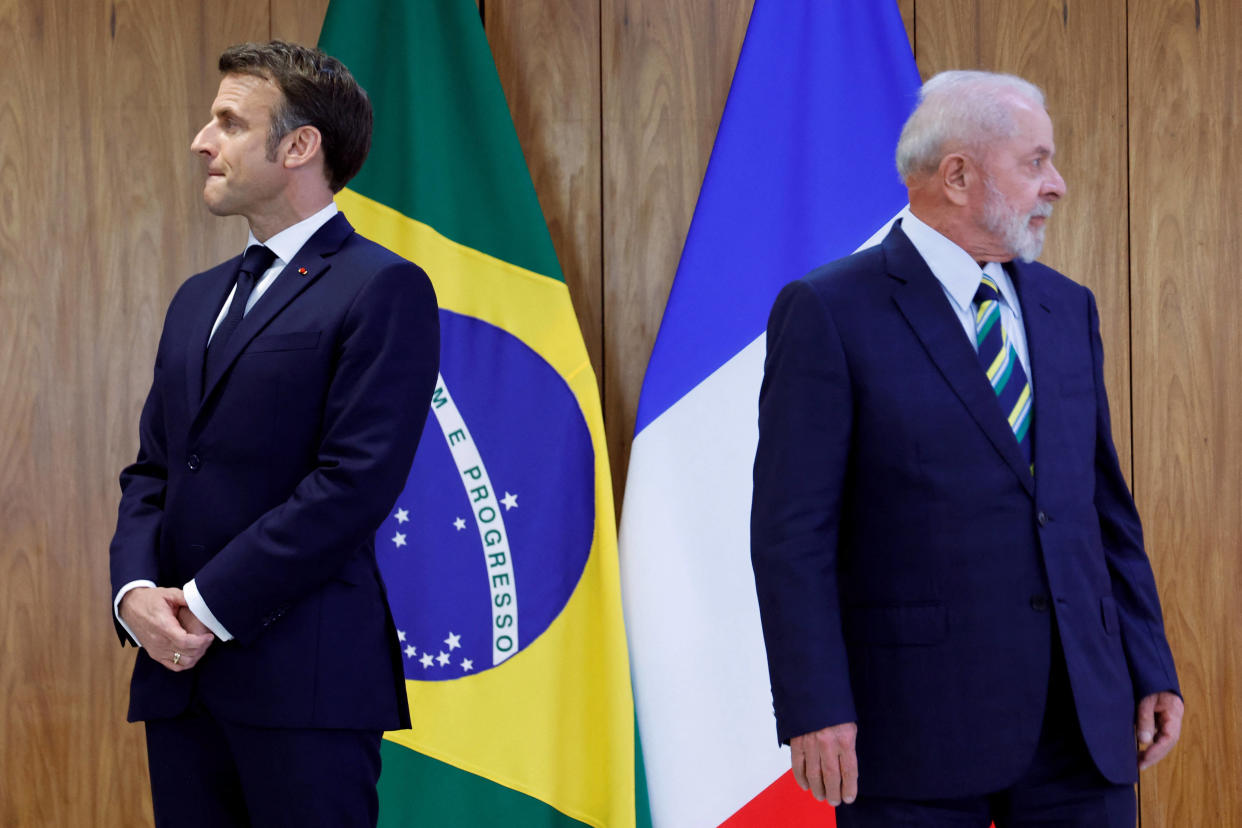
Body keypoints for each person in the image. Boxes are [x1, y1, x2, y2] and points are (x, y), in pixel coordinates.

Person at [750, 70, 1181, 827]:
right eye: (1036, 161)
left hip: (1084, 723)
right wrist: (815, 704)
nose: (1058, 185)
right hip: (912, 732)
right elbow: (792, 535)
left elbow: (1102, 509)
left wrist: (1150, 664)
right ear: (958, 174)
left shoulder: (1064, 307)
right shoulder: (827, 310)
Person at [108, 41, 439, 827]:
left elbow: (352, 486)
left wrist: (203, 604)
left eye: (228, 121)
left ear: (299, 146)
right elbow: (154, 470)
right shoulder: (196, 298)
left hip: (307, 688)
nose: (201, 140)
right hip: (179, 684)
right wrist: (134, 597)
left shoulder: (384, 287)